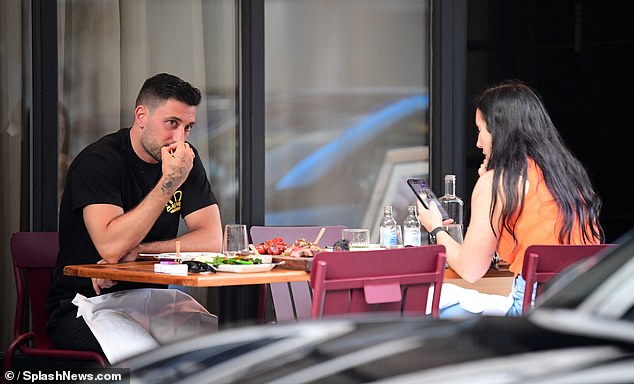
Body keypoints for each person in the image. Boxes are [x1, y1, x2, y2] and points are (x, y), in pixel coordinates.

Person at [46, 73, 223, 353]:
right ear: (141, 115)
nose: (179, 138)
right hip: (86, 305)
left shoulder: (185, 159)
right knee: (149, 359)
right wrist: (170, 182)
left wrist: (142, 251)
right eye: (172, 123)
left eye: (188, 127)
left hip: (151, 300)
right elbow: (112, 247)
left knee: (216, 349)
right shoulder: (99, 161)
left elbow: (212, 240)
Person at [418, 80, 604, 316]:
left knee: (431, 309)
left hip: (532, 311)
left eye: (480, 130)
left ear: (498, 131)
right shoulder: (568, 176)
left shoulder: (498, 184)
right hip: (584, 307)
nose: (477, 143)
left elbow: (471, 269)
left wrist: (435, 228)